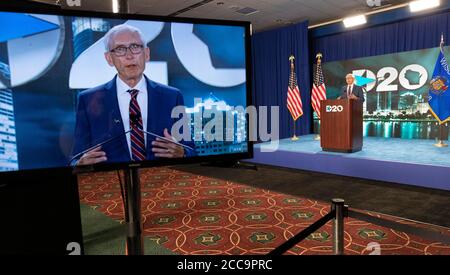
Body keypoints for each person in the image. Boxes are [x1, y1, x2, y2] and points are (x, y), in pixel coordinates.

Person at [71, 24, 195, 166]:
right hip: (113, 184)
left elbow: (191, 150)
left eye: (135, 47)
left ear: (146, 54)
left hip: (160, 181)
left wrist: (183, 153)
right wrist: (80, 164)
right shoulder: (88, 100)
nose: (129, 56)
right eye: (120, 49)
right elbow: (75, 159)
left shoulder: (172, 97)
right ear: (109, 59)